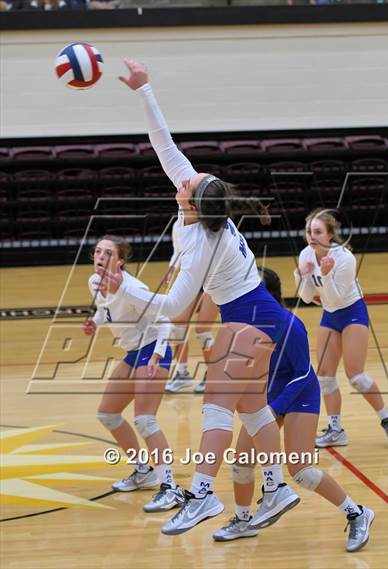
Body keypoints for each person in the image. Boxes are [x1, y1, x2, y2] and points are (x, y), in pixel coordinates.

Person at [99, 58, 301, 536]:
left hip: (252, 319)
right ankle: (277, 487)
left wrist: (125, 285)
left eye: (189, 180)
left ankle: (204, 497)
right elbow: (163, 145)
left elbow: (172, 307)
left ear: (190, 201)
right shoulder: (198, 209)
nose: (184, 175)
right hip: (263, 316)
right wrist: (144, 89)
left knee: (215, 409)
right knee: (251, 410)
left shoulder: (202, 247)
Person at [213, 266, 374, 553]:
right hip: (268, 400)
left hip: (299, 395)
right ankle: (242, 520)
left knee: (301, 469)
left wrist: (274, 408)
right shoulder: (245, 324)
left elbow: (302, 374)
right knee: (240, 464)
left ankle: (357, 513)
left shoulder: (289, 325)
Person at [83, 234, 183, 513]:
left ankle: (170, 487)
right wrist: (94, 322)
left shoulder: (133, 288)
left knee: (145, 419)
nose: (100, 257)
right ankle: (143, 471)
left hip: (153, 350)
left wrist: (157, 355)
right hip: (132, 352)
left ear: (121, 261)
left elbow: (164, 321)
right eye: (98, 252)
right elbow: (106, 311)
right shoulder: (94, 282)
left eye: (108, 254)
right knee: (108, 414)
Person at [294, 209, 388, 449]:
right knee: (324, 376)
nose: (312, 236)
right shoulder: (305, 255)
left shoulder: (344, 258)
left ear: (331, 234)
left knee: (356, 377)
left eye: (318, 232)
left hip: (352, 312)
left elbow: (336, 297)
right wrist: (302, 277)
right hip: (330, 315)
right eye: (309, 232)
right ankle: (336, 430)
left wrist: (324, 275)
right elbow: (305, 297)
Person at [163, 221, 218, 394]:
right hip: (192, 278)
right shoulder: (178, 224)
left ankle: (213, 375)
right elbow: (178, 251)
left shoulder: (210, 222)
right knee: (177, 323)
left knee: (202, 329)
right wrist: (172, 269)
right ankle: (182, 373)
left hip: (214, 278)